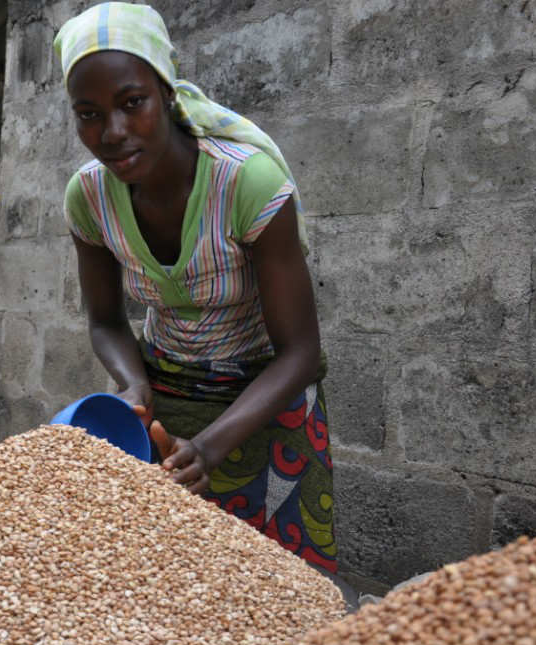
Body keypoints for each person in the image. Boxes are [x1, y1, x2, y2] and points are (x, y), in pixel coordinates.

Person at [54, 3, 335, 570]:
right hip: (165, 402)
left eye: (133, 103)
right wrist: (133, 387)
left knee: (269, 584)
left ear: (166, 93)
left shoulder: (246, 183)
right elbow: (106, 321)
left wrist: (210, 447)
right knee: (165, 581)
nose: (112, 132)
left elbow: (301, 354)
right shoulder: (89, 198)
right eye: (88, 114)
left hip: (265, 401)